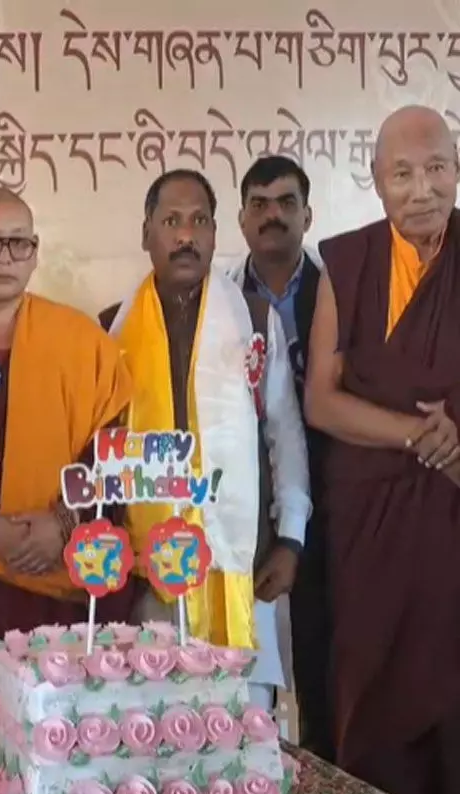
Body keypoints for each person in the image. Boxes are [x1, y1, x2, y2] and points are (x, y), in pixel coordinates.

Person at [0, 188, 136, 705]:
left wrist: (61, 522)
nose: (5, 257)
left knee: (53, 717)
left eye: (19, 243)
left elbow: (114, 446)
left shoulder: (81, 341)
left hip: (54, 568)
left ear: (35, 253)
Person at [101, 169, 310, 712]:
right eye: (171, 221)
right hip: (147, 576)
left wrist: (290, 538)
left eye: (199, 221)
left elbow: (284, 434)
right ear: (146, 233)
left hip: (242, 566)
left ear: (216, 234)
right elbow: (98, 451)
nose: (185, 236)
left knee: (242, 730)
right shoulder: (111, 332)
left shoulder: (253, 319)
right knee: (152, 728)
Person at [305, 105, 460, 794]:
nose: (422, 189)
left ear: (457, 170)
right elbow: (321, 400)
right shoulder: (348, 263)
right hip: (374, 529)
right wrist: (419, 435)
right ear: (375, 181)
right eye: (403, 174)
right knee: (375, 697)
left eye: (437, 169)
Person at [228, 155, 333, 759]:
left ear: (307, 216)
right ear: (242, 219)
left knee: (326, 661)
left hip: (339, 498)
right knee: (252, 679)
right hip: (250, 511)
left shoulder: (340, 288)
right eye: (259, 205)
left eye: (286, 203)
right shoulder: (221, 301)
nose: (273, 216)